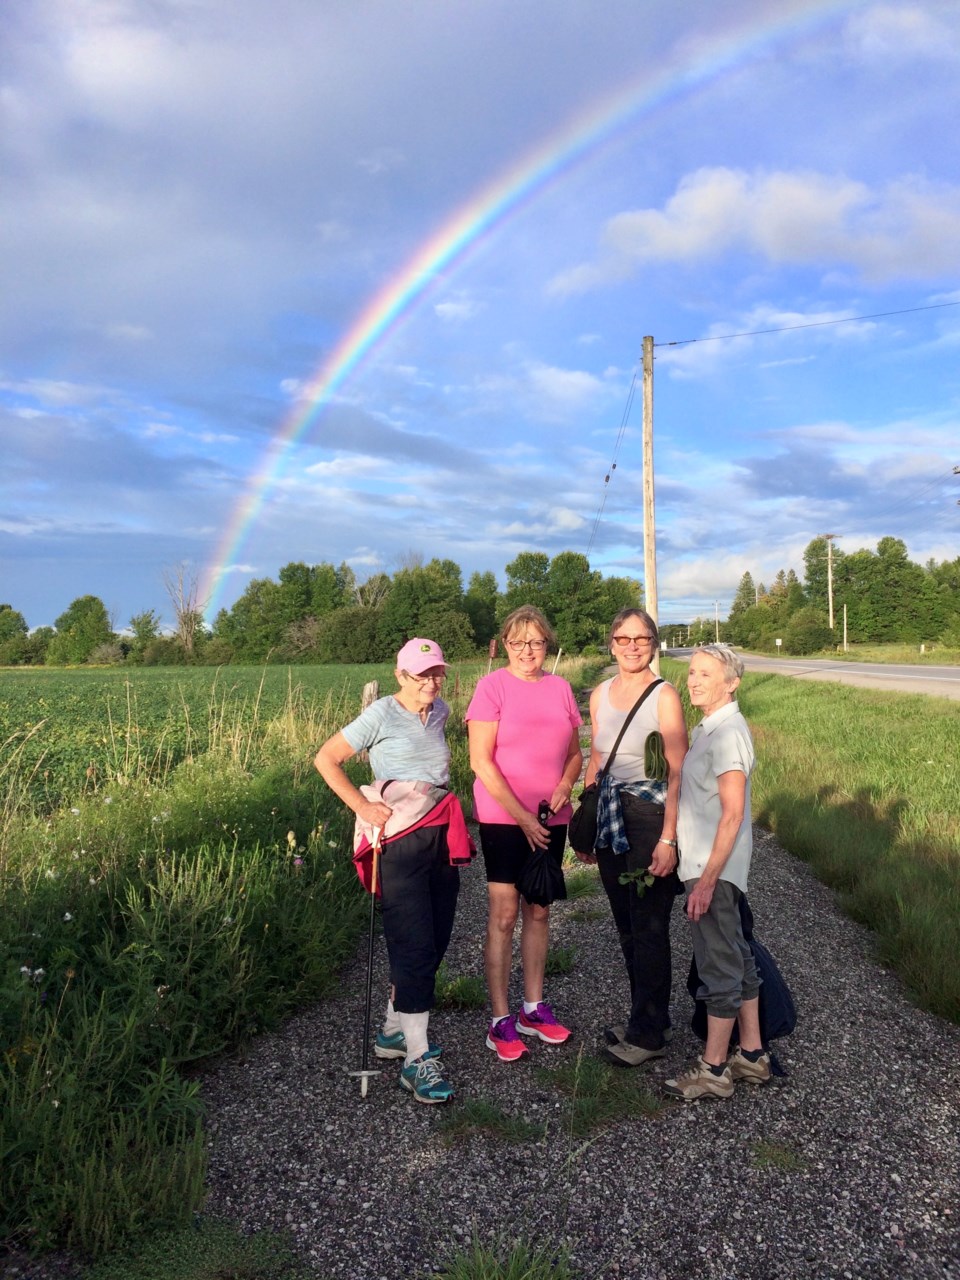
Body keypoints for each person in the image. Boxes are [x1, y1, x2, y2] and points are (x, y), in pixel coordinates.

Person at [314, 638, 470, 1105]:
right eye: (421, 674)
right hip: (399, 839)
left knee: (438, 934)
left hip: (441, 829)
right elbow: (326, 758)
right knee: (413, 938)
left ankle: (392, 1030)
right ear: (401, 676)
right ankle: (416, 1059)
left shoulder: (440, 710)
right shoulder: (381, 712)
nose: (431, 681)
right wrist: (362, 804)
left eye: (437, 672)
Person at [466, 606, 583, 1061]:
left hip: (551, 817)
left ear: (547, 644)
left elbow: (574, 752)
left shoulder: (560, 688)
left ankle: (533, 1008)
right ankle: (500, 1019)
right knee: (503, 915)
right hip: (504, 819)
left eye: (535, 642)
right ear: (505, 644)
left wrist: (564, 785)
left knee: (539, 910)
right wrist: (521, 817)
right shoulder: (491, 687)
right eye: (518, 642)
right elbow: (481, 760)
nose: (527, 651)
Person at [574, 608, 689, 1066]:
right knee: (625, 925)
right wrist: (586, 823)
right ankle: (647, 1018)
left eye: (641, 639)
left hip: (648, 814)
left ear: (653, 644)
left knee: (649, 926)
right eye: (623, 639)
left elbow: (679, 769)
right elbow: (597, 756)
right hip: (609, 812)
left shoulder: (665, 696)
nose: (632, 646)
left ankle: (648, 1036)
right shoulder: (600, 693)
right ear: (612, 643)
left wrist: (669, 838)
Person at [664, 643, 770, 1101]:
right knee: (738, 955)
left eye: (706, 673)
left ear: (732, 682)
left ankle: (713, 1069)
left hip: (715, 868)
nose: (694, 680)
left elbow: (732, 813)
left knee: (719, 963)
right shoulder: (712, 727)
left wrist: (706, 882)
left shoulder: (728, 733)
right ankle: (751, 1055)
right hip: (712, 865)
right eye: (691, 672)